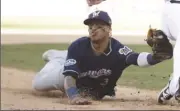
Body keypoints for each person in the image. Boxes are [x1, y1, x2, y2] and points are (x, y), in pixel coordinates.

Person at [32, 10, 167, 105]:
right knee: (38, 84)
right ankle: (56, 57)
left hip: (92, 87)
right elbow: (69, 77)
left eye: (99, 26)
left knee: (73, 60)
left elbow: (136, 58)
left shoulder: (117, 49)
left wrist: (157, 57)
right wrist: (73, 96)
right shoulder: (78, 46)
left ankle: (63, 56)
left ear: (109, 29)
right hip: (65, 76)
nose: (93, 29)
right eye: (91, 26)